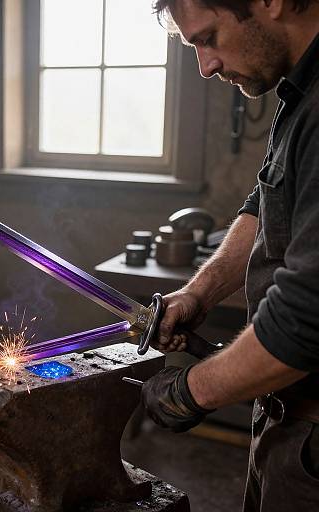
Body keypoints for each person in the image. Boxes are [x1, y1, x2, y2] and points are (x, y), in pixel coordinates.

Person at [141, 0, 319, 510]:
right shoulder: (299, 90)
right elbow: (266, 202)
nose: (206, 66)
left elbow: (303, 324)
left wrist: (191, 391)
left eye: (207, 38)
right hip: (290, 418)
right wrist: (199, 292)